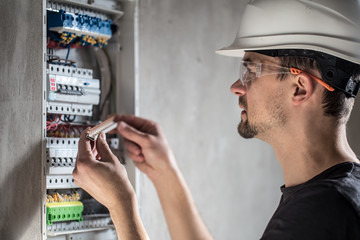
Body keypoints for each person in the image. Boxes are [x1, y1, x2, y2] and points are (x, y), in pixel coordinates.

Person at [73, 0, 360, 239]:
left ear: (299, 88)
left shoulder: (321, 214)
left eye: (251, 70)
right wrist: (164, 174)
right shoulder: (337, 197)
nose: (237, 86)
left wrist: (121, 206)